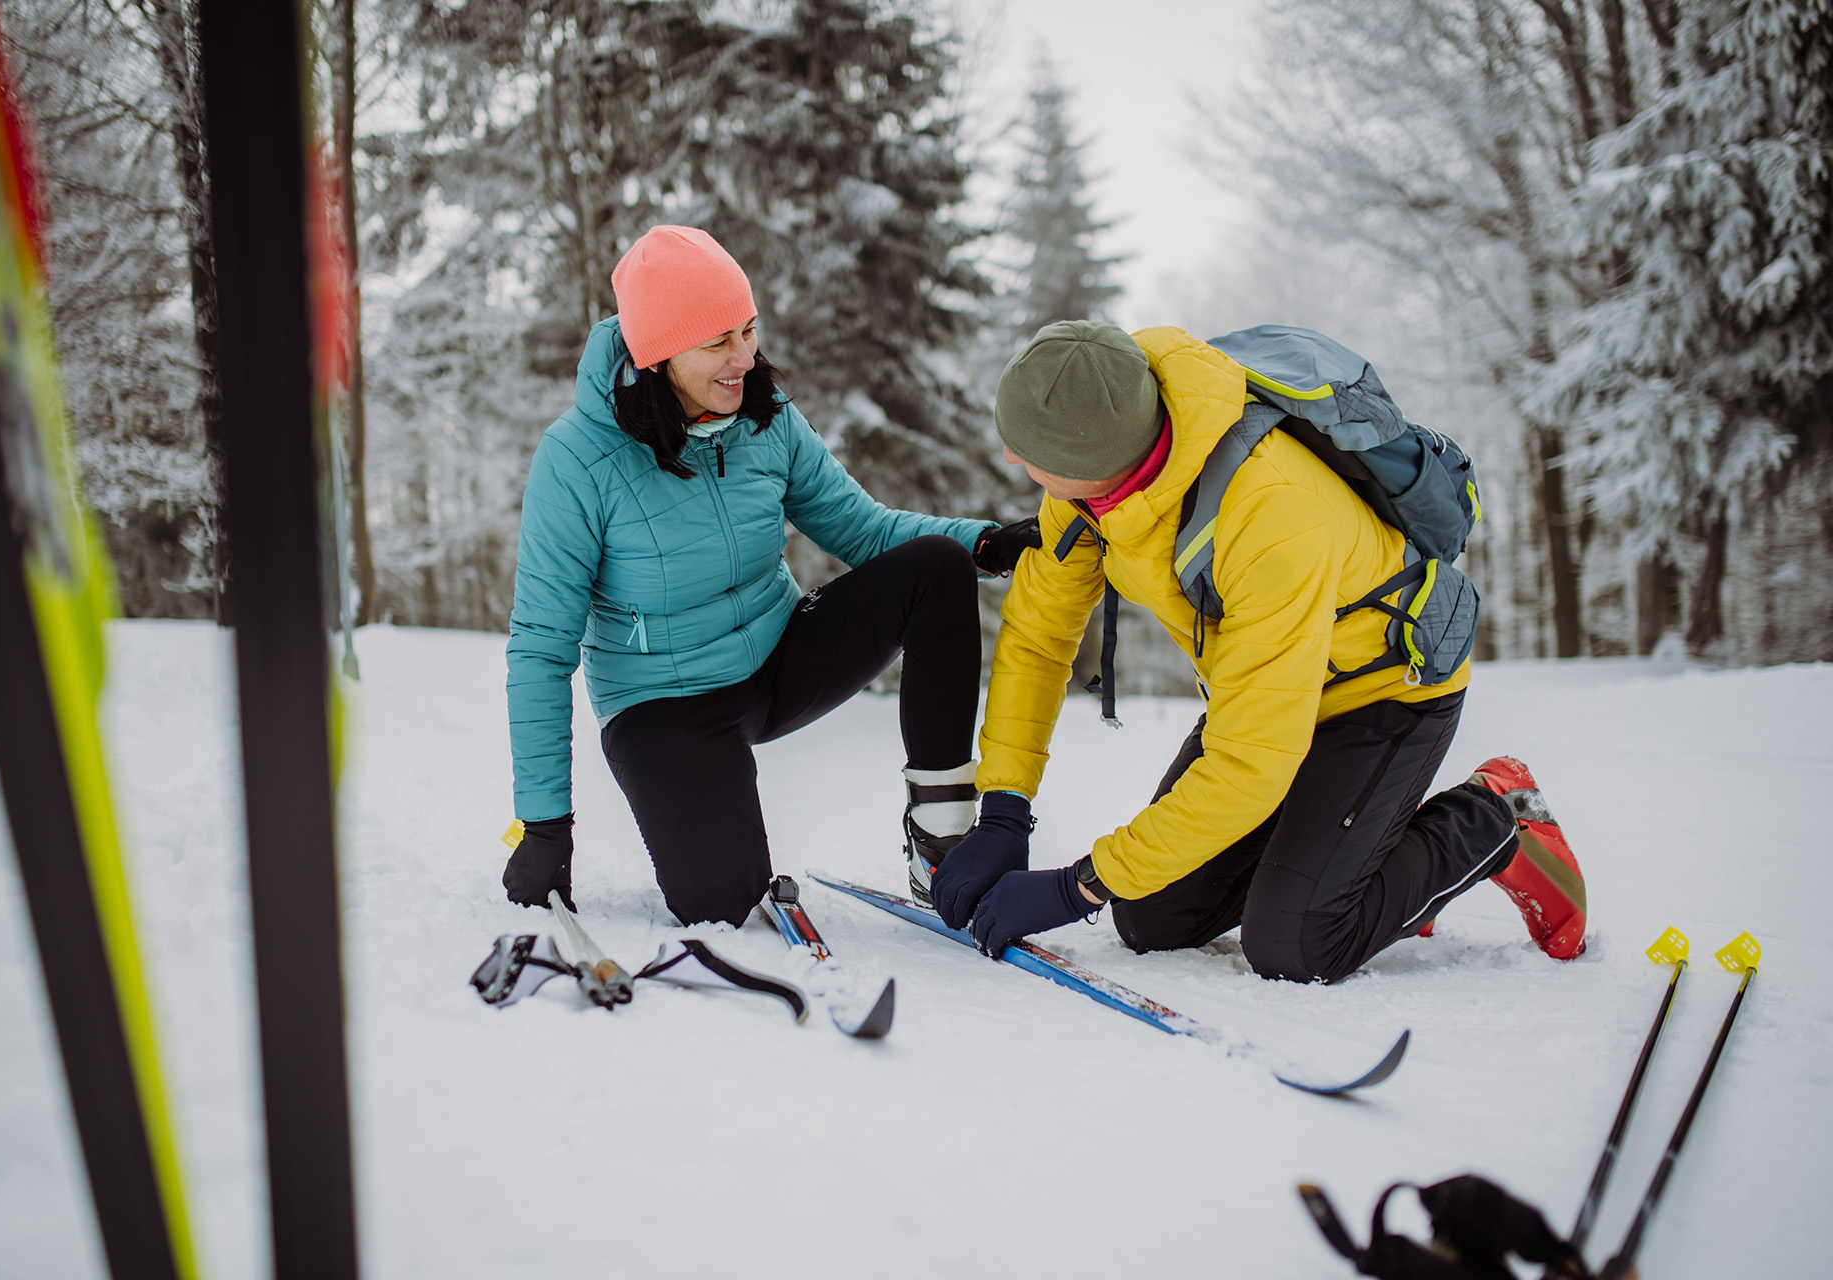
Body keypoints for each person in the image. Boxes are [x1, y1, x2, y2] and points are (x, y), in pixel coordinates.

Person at [928, 321, 1587, 980]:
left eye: (1023, 449)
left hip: (1386, 693)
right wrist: (1004, 813)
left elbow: (1247, 770)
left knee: (1299, 945)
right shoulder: (1087, 491)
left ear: (1087, 455)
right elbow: (1039, 641)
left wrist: (1076, 888)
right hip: (1265, 696)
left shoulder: (1271, 512)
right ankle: (1368, 848)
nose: (1014, 461)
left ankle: (1496, 818)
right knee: (1151, 917)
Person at [500, 225, 1039, 926]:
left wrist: (987, 543)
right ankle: (712, 806)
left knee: (934, 569)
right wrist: (544, 827)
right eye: (718, 341)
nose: (744, 358)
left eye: (748, 330)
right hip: (665, 703)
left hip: (778, 655)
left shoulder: (764, 415)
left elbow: (864, 530)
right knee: (720, 901)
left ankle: (940, 838)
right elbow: (541, 648)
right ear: (658, 354)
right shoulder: (578, 460)